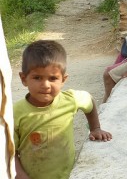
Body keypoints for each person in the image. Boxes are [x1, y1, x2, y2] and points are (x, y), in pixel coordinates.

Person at [14, 40, 112, 179]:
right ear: (24, 79)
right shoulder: (15, 113)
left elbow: (88, 100)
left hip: (68, 174)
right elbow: (8, 152)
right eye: (37, 78)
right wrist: (20, 175)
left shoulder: (70, 100)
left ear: (63, 80)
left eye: (53, 78)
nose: (46, 85)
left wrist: (95, 128)